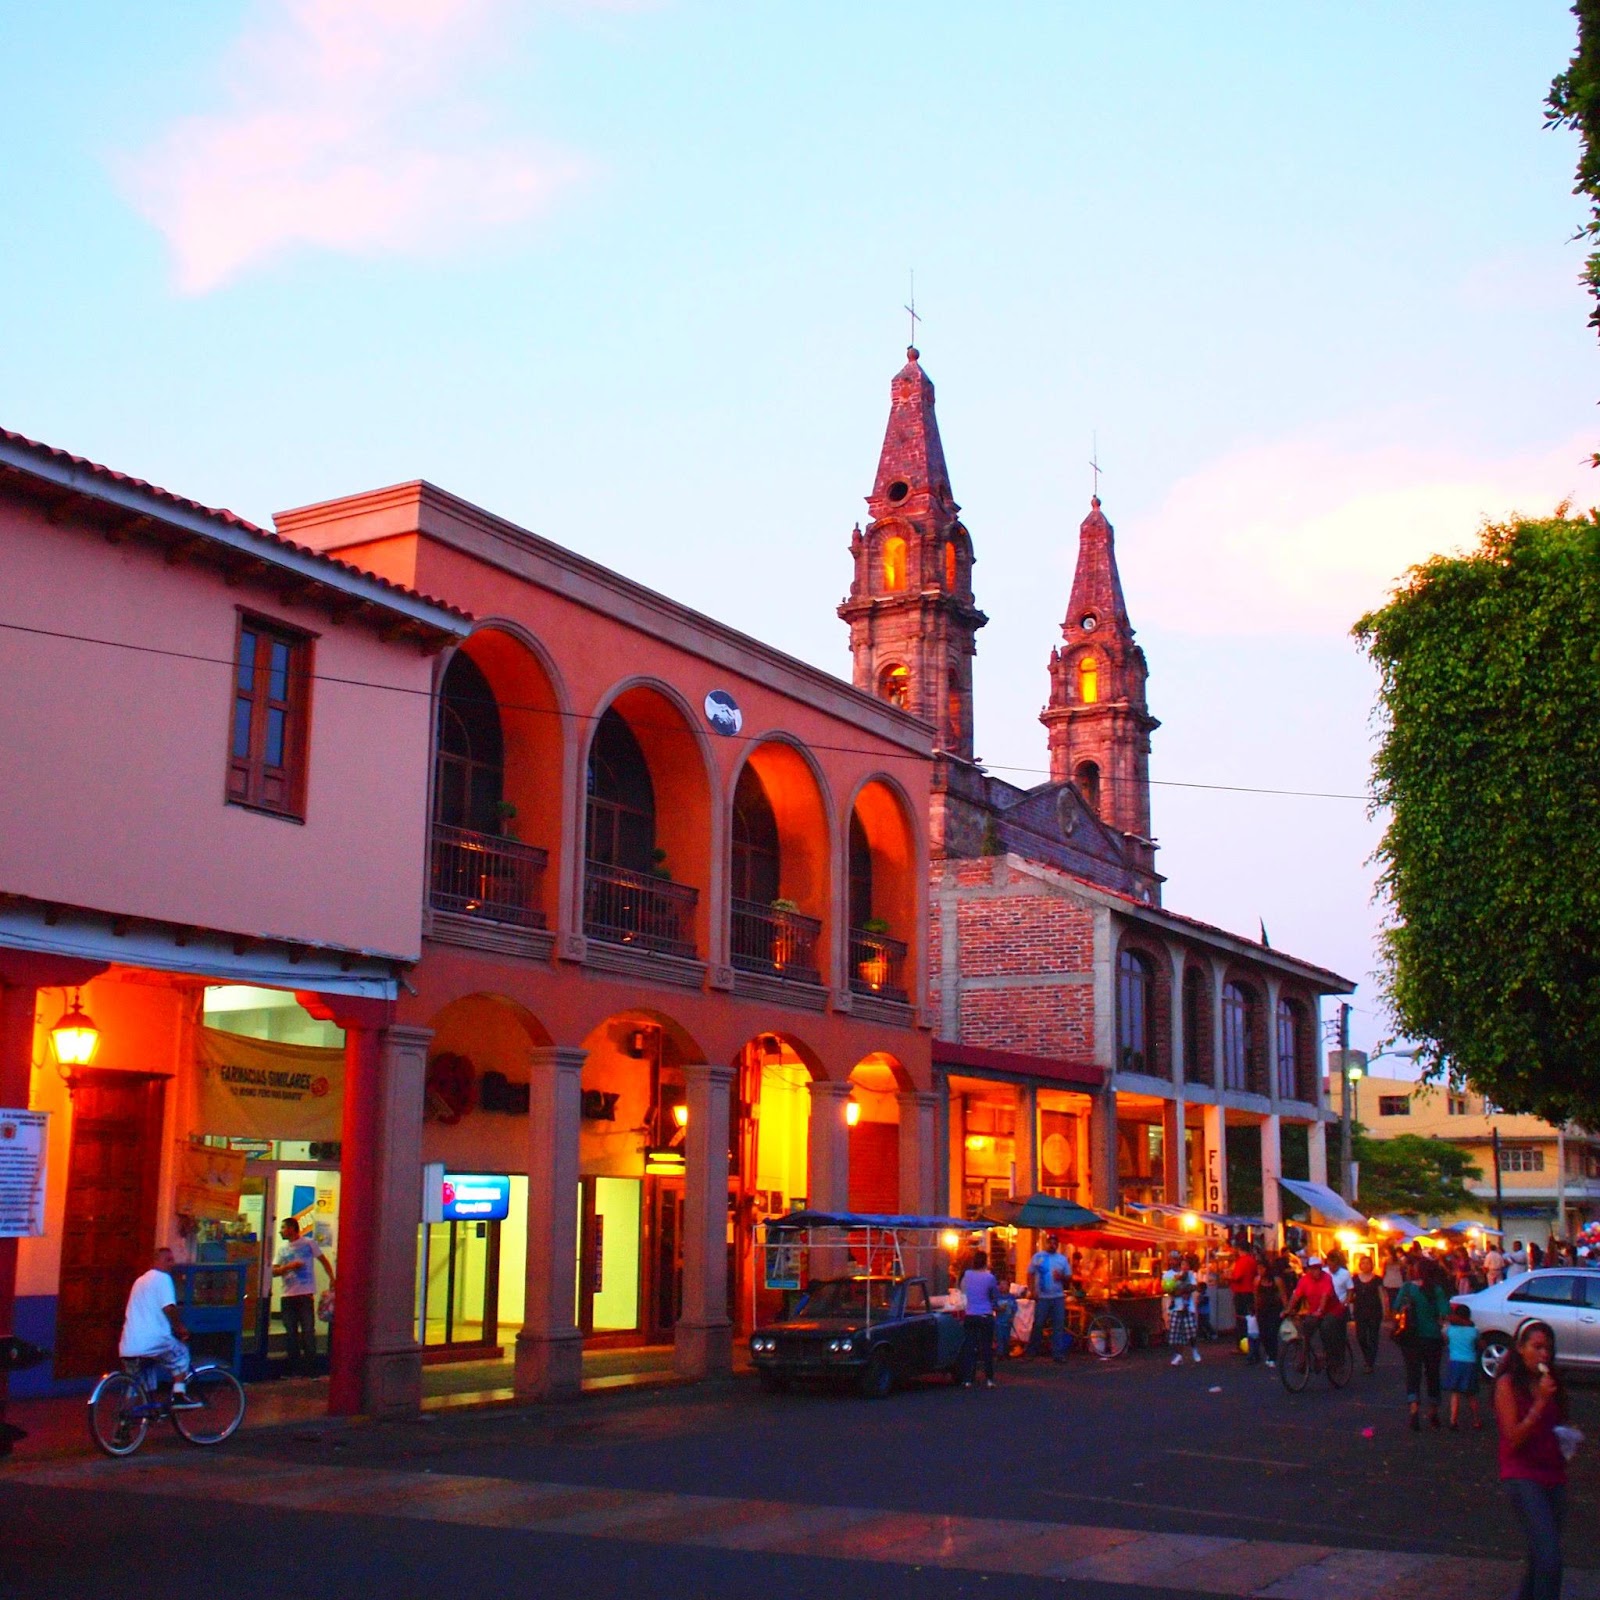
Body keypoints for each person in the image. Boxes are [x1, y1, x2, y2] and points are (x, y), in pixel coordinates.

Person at [1495, 1321, 1569, 1600]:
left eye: (1548, 1348)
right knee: (1550, 1558)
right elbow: (1513, 1437)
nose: (1544, 1355)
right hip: (1522, 1474)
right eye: (1536, 1347)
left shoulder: (1551, 1382)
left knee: (1540, 1555)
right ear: (1520, 1349)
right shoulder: (1508, 1385)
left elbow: (1555, 1423)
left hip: (1552, 1472)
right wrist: (1539, 1403)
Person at [119, 1246, 200, 1406]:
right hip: (154, 1341)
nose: (172, 1263)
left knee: (137, 1382)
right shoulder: (163, 1279)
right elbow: (169, 1308)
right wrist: (180, 1328)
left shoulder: (139, 1281)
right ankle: (179, 1395)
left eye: (172, 1259)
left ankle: (126, 1420)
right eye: (168, 1260)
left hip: (129, 1344)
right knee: (182, 1355)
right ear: (156, 1261)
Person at [272, 1216, 335, 1376]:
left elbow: (323, 1260)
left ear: (292, 1229)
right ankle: (294, 1368)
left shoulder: (308, 1244)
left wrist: (332, 1278)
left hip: (305, 1294)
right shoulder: (282, 1249)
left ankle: (311, 1369)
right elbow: (274, 1271)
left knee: (308, 1331)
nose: (280, 1231)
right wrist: (290, 1266)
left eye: (283, 1228)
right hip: (288, 1295)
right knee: (290, 1333)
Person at [1393, 1254, 1450, 1430]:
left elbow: (1395, 1307)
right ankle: (1433, 1411)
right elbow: (1444, 1313)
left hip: (1410, 1337)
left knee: (1413, 1373)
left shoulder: (1407, 1288)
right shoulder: (1436, 1290)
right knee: (1432, 1373)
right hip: (1432, 1337)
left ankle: (1413, 1409)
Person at [1285, 1255, 1346, 1369]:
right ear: (1308, 1270)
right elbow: (1296, 1296)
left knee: (1326, 1326)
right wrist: (1288, 1309)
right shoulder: (1304, 1280)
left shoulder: (1326, 1278)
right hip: (1314, 1311)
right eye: (1312, 1269)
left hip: (1331, 1310)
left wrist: (1320, 1310)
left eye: (1317, 1268)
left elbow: (1325, 1296)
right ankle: (1303, 1358)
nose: (1315, 1271)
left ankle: (1330, 1356)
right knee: (1306, 1330)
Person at [958, 1250, 1000, 1388]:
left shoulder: (967, 1275)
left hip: (970, 1314)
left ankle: (968, 1379)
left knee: (969, 1347)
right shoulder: (990, 1277)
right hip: (985, 1314)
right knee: (986, 1347)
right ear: (986, 1261)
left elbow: (962, 1290)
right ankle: (989, 1379)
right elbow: (994, 1296)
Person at [1025, 1233, 1070, 1362]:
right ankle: (1032, 1351)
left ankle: (1057, 1353)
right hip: (1043, 1297)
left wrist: (1061, 1277)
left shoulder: (1062, 1259)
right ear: (1046, 1243)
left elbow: (1068, 1278)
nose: (1052, 1245)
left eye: (1055, 1243)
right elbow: (1030, 1273)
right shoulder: (1038, 1257)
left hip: (1058, 1297)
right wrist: (1032, 1290)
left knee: (1058, 1325)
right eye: (1050, 1242)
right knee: (1038, 1324)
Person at [1442, 1302, 1483, 1430]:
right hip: (1470, 1363)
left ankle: (1453, 1420)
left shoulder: (1450, 1330)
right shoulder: (1474, 1331)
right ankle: (1476, 1420)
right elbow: (1480, 1344)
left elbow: (1445, 1339)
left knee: (1455, 1393)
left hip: (1455, 1362)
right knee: (1471, 1393)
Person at [1350, 1254, 1385, 1374]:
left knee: (1373, 1337)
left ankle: (1370, 1362)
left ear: (1372, 1265)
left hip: (1374, 1311)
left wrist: (1386, 1310)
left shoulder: (1377, 1279)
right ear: (1360, 1265)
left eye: (1368, 1263)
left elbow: (1381, 1295)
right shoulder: (1355, 1279)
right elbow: (1351, 1294)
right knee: (1361, 1337)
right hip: (1360, 1311)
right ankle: (1367, 1356)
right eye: (1363, 1263)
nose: (1365, 1265)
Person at [1164, 1251, 1200, 1365]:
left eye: (1174, 1259)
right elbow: (1167, 1289)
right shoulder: (1167, 1274)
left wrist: (1181, 1290)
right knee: (1175, 1333)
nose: (1172, 1262)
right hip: (1175, 1307)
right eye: (1170, 1259)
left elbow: (1194, 1286)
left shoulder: (1188, 1274)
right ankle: (1179, 1355)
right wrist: (1177, 1291)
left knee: (1191, 1331)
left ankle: (1194, 1349)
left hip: (1188, 1307)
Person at [1255, 1251, 1287, 1369]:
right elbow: (1256, 1296)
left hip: (1275, 1309)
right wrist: (1255, 1310)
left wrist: (1286, 1309)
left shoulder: (1277, 1280)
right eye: (1258, 1268)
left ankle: (1273, 1356)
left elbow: (1283, 1295)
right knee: (1263, 1333)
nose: (1259, 1271)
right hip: (1262, 1310)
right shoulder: (1257, 1281)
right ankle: (1269, 1353)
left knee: (1272, 1332)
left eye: (1261, 1268)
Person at [1229, 1246, 1261, 1363]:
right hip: (1250, 1292)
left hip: (1241, 1292)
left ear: (1240, 1250)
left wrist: (1229, 1276)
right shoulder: (1252, 1261)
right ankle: (1252, 1343)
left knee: (1241, 1320)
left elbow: (1237, 1276)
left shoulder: (1241, 1261)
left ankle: (1242, 1345)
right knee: (1251, 1319)